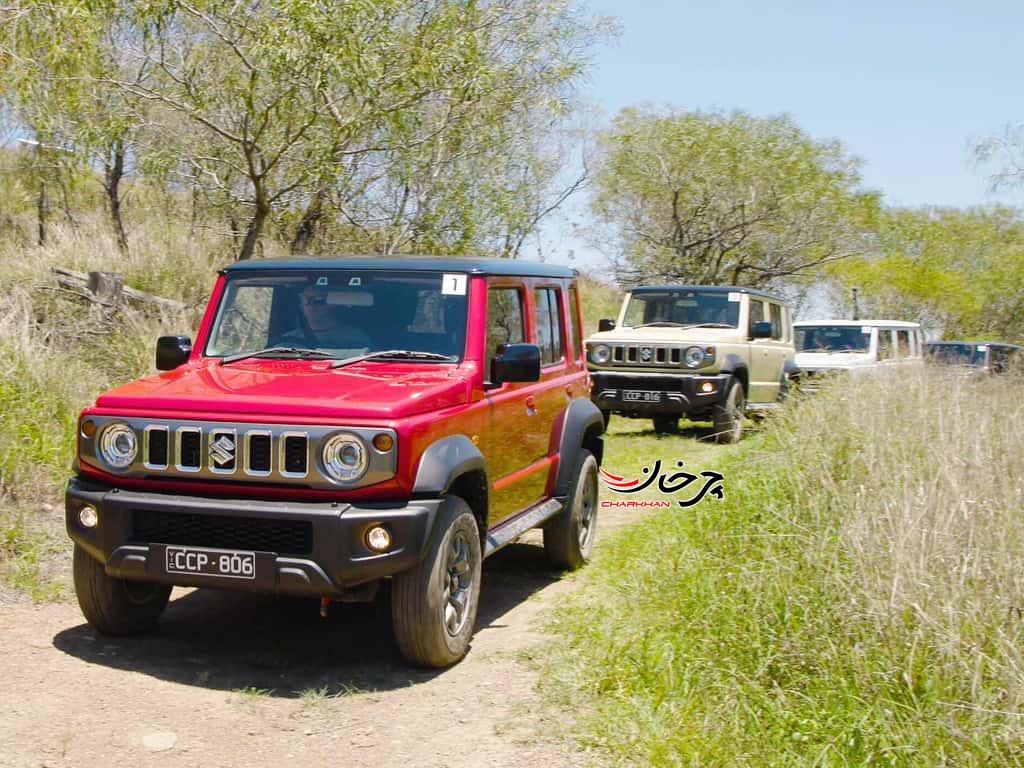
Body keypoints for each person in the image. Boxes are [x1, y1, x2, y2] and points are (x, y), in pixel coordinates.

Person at [283, 284, 373, 351]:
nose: (310, 305)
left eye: (318, 300)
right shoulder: (288, 340)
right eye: (305, 299)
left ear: (334, 304)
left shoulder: (355, 338)